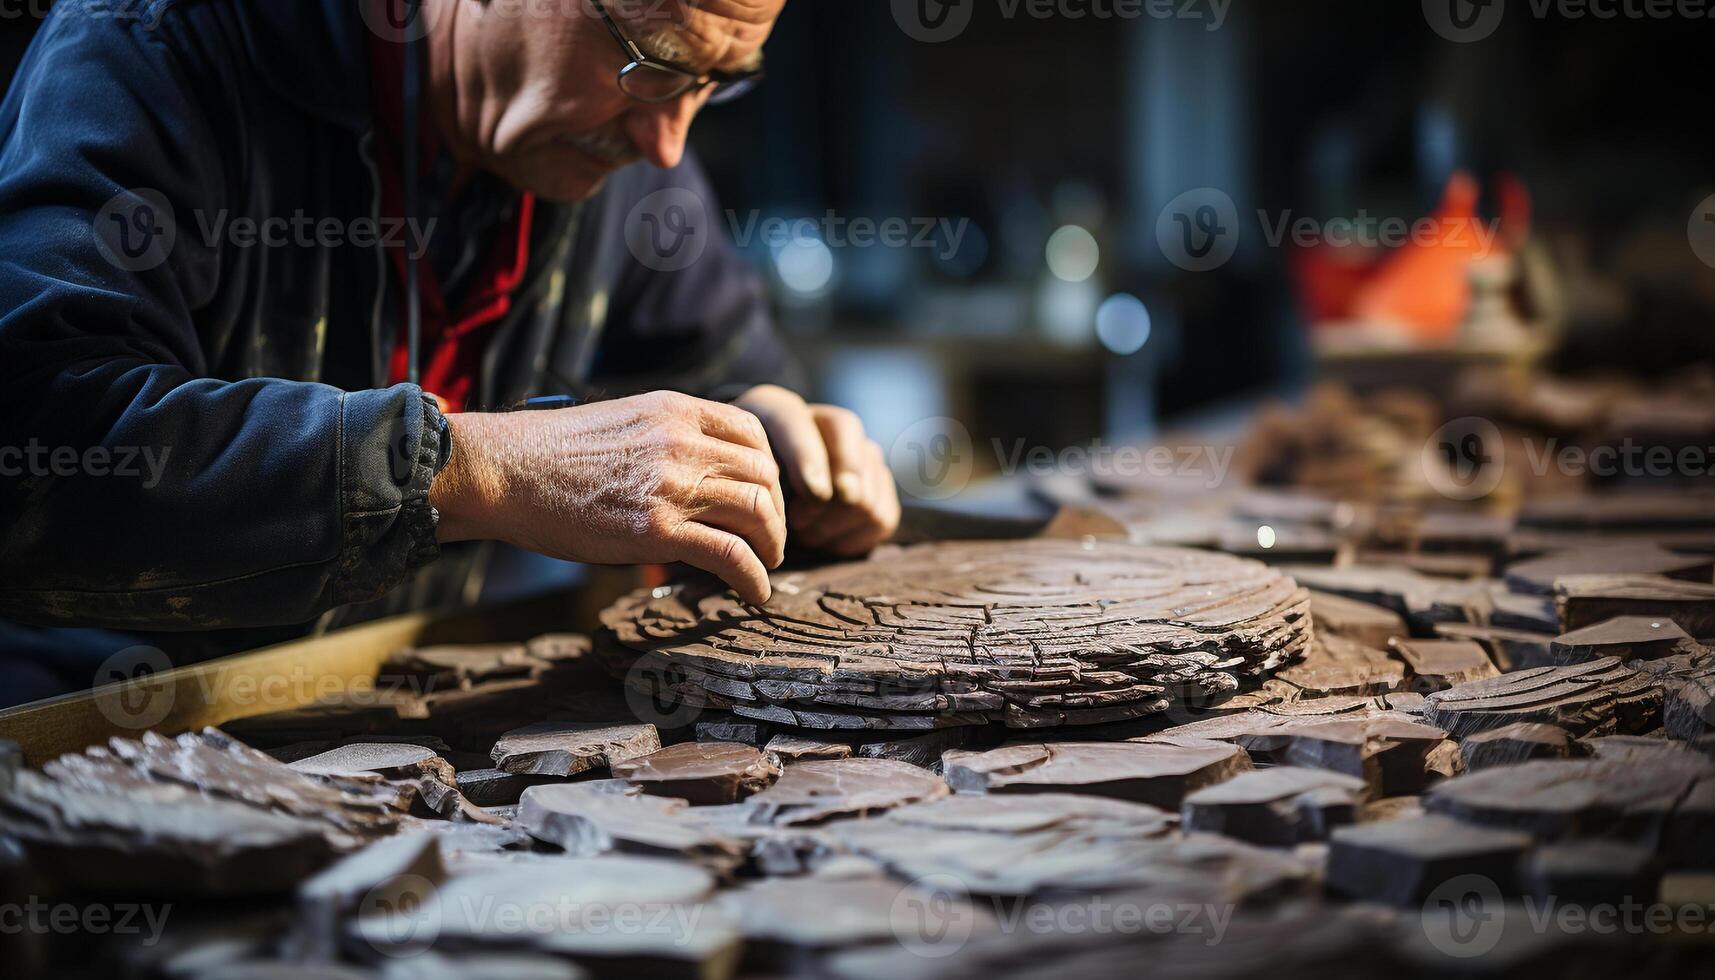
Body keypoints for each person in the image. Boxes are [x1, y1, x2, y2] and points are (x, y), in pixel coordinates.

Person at [0, 0, 899, 689]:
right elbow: (43, 452)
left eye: (718, 78)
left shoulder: (607, 139)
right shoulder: (158, 47)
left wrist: (772, 433)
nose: (667, 144)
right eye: (652, 64)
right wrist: (471, 469)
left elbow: (716, 368)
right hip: (94, 724)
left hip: (397, 709)